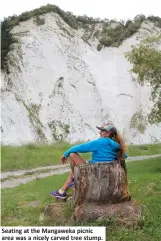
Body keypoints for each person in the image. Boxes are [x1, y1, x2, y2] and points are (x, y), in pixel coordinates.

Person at [50, 123, 128, 199]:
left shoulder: (99, 142)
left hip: (94, 173)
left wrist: (66, 154)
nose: (99, 132)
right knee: (73, 173)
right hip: (104, 173)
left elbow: (80, 147)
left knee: (72, 154)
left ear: (107, 133)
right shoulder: (116, 145)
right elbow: (125, 155)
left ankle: (70, 182)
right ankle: (63, 189)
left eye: (102, 131)